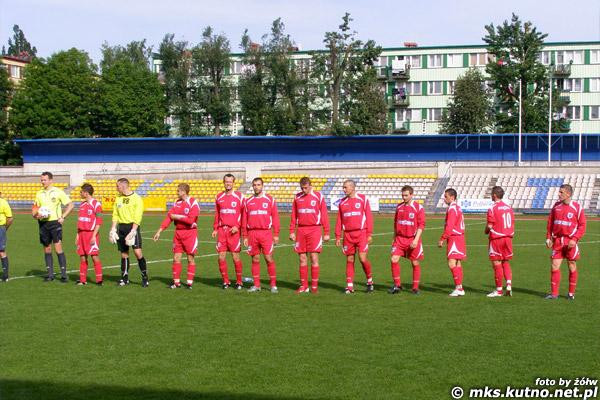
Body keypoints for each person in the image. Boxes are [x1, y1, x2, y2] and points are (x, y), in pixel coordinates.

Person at [154, 183, 199, 289]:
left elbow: (191, 220)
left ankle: (189, 283)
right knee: (176, 257)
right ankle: (176, 282)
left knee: (190, 258)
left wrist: (177, 216)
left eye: (178, 191)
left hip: (190, 233)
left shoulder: (193, 202)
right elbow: (169, 218)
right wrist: (159, 231)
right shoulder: (177, 203)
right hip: (178, 233)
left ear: (184, 192)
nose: (176, 192)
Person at [545, 184, 586, 300]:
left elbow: (582, 225)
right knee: (554, 266)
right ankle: (554, 294)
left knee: (571, 265)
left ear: (568, 194)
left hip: (570, 242)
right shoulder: (556, 206)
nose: (559, 194)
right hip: (558, 241)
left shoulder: (577, 207)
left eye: (561, 192)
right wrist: (548, 238)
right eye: (559, 191)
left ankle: (571, 294)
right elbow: (550, 223)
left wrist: (575, 239)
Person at [289, 177, 330, 294]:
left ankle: (314, 286)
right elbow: (294, 215)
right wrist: (292, 231)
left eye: (306, 188)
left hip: (315, 230)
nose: (304, 190)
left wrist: (326, 232)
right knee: (302, 258)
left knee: (314, 257)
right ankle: (304, 286)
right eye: (302, 188)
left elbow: (324, 215)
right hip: (301, 230)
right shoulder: (297, 197)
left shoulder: (318, 196)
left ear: (310, 185)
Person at [33, 171, 74, 282]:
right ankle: (50, 275)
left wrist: (63, 217)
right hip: (42, 223)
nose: (42, 182)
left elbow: (70, 205)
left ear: (51, 180)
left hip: (55, 223)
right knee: (47, 248)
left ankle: (64, 275)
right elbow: (35, 208)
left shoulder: (58, 192)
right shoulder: (39, 193)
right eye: (41, 180)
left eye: (44, 180)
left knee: (58, 247)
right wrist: (36, 215)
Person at [335, 179, 374, 294]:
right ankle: (350, 286)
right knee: (350, 259)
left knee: (362, 259)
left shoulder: (363, 199)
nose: (344, 189)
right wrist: (338, 236)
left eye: (345, 187)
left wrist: (369, 234)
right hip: (348, 235)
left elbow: (369, 217)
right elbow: (339, 220)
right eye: (343, 187)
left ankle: (370, 281)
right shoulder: (342, 202)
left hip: (361, 233)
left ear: (352, 187)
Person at [241, 177, 280, 293]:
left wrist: (276, 234)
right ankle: (257, 285)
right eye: (254, 185)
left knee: (268, 258)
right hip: (252, 233)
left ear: (262, 186)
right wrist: (245, 236)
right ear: (252, 186)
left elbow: (275, 218)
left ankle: (273, 285)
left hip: (266, 233)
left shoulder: (270, 200)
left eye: (258, 185)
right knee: (255, 259)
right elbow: (244, 219)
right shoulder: (248, 201)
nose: (256, 187)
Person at [109, 178, 148, 287]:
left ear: (123, 186)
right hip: (121, 228)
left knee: (138, 253)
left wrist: (133, 231)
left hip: (132, 228)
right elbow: (115, 214)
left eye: (117, 186)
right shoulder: (118, 198)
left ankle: (145, 277)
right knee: (124, 254)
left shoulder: (136, 198)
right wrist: (113, 229)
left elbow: (138, 216)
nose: (116, 188)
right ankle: (124, 278)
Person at [388, 185, 425, 295]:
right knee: (394, 259)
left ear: (411, 195)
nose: (404, 197)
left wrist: (416, 240)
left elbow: (421, 225)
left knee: (414, 262)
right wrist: (394, 238)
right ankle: (397, 285)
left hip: (412, 239)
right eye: (402, 195)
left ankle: (415, 287)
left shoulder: (418, 208)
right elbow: (395, 223)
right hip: (399, 239)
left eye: (406, 195)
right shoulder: (399, 207)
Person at [212, 174, 244, 290]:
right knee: (221, 257)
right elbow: (217, 214)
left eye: (230, 182)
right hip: (221, 231)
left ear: (234, 183)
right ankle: (226, 281)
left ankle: (239, 281)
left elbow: (244, 215)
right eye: (226, 181)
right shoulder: (219, 196)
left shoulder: (240, 196)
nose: (228, 183)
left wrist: (238, 226)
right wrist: (215, 228)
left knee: (235, 257)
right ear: (223, 182)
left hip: (234, 231)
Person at [485, 186, 515, 297]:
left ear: (494, 195)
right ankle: (509, 285)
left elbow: (490, 225)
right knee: (505, 262)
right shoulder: (508, 207)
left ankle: (498, 290)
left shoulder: (492, 208)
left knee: (497, 263)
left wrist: (486, 231)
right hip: (508, 238)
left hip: (497, 238)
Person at [437, 188, 466, 297]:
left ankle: (458, 288)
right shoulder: (457, 208)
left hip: (454, 238)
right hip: (460, 237)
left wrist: (442, 238)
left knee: (451, 263)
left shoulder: (452, 209)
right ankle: (460, 288)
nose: (444, 198)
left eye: (446, 196)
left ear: (452, 197)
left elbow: (449, 226)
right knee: (458, 263)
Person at [75, 183, 103, 285]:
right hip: (81, 234)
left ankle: (99, 280)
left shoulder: (96, 204)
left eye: (81, 192)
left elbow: (99, 222)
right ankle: (83, 281)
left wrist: (94, 236)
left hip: (91, 234)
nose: (80, 193)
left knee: (94, 256)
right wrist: (77, 235)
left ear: (86, 193)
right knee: (82, 257)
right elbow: (80, 221)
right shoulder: (82, 205)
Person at [0, 191, 13, 282]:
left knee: (1, 251)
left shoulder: (4, 203)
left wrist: (4, 228)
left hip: (0, 228)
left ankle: (5, 275)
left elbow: (10, 218)